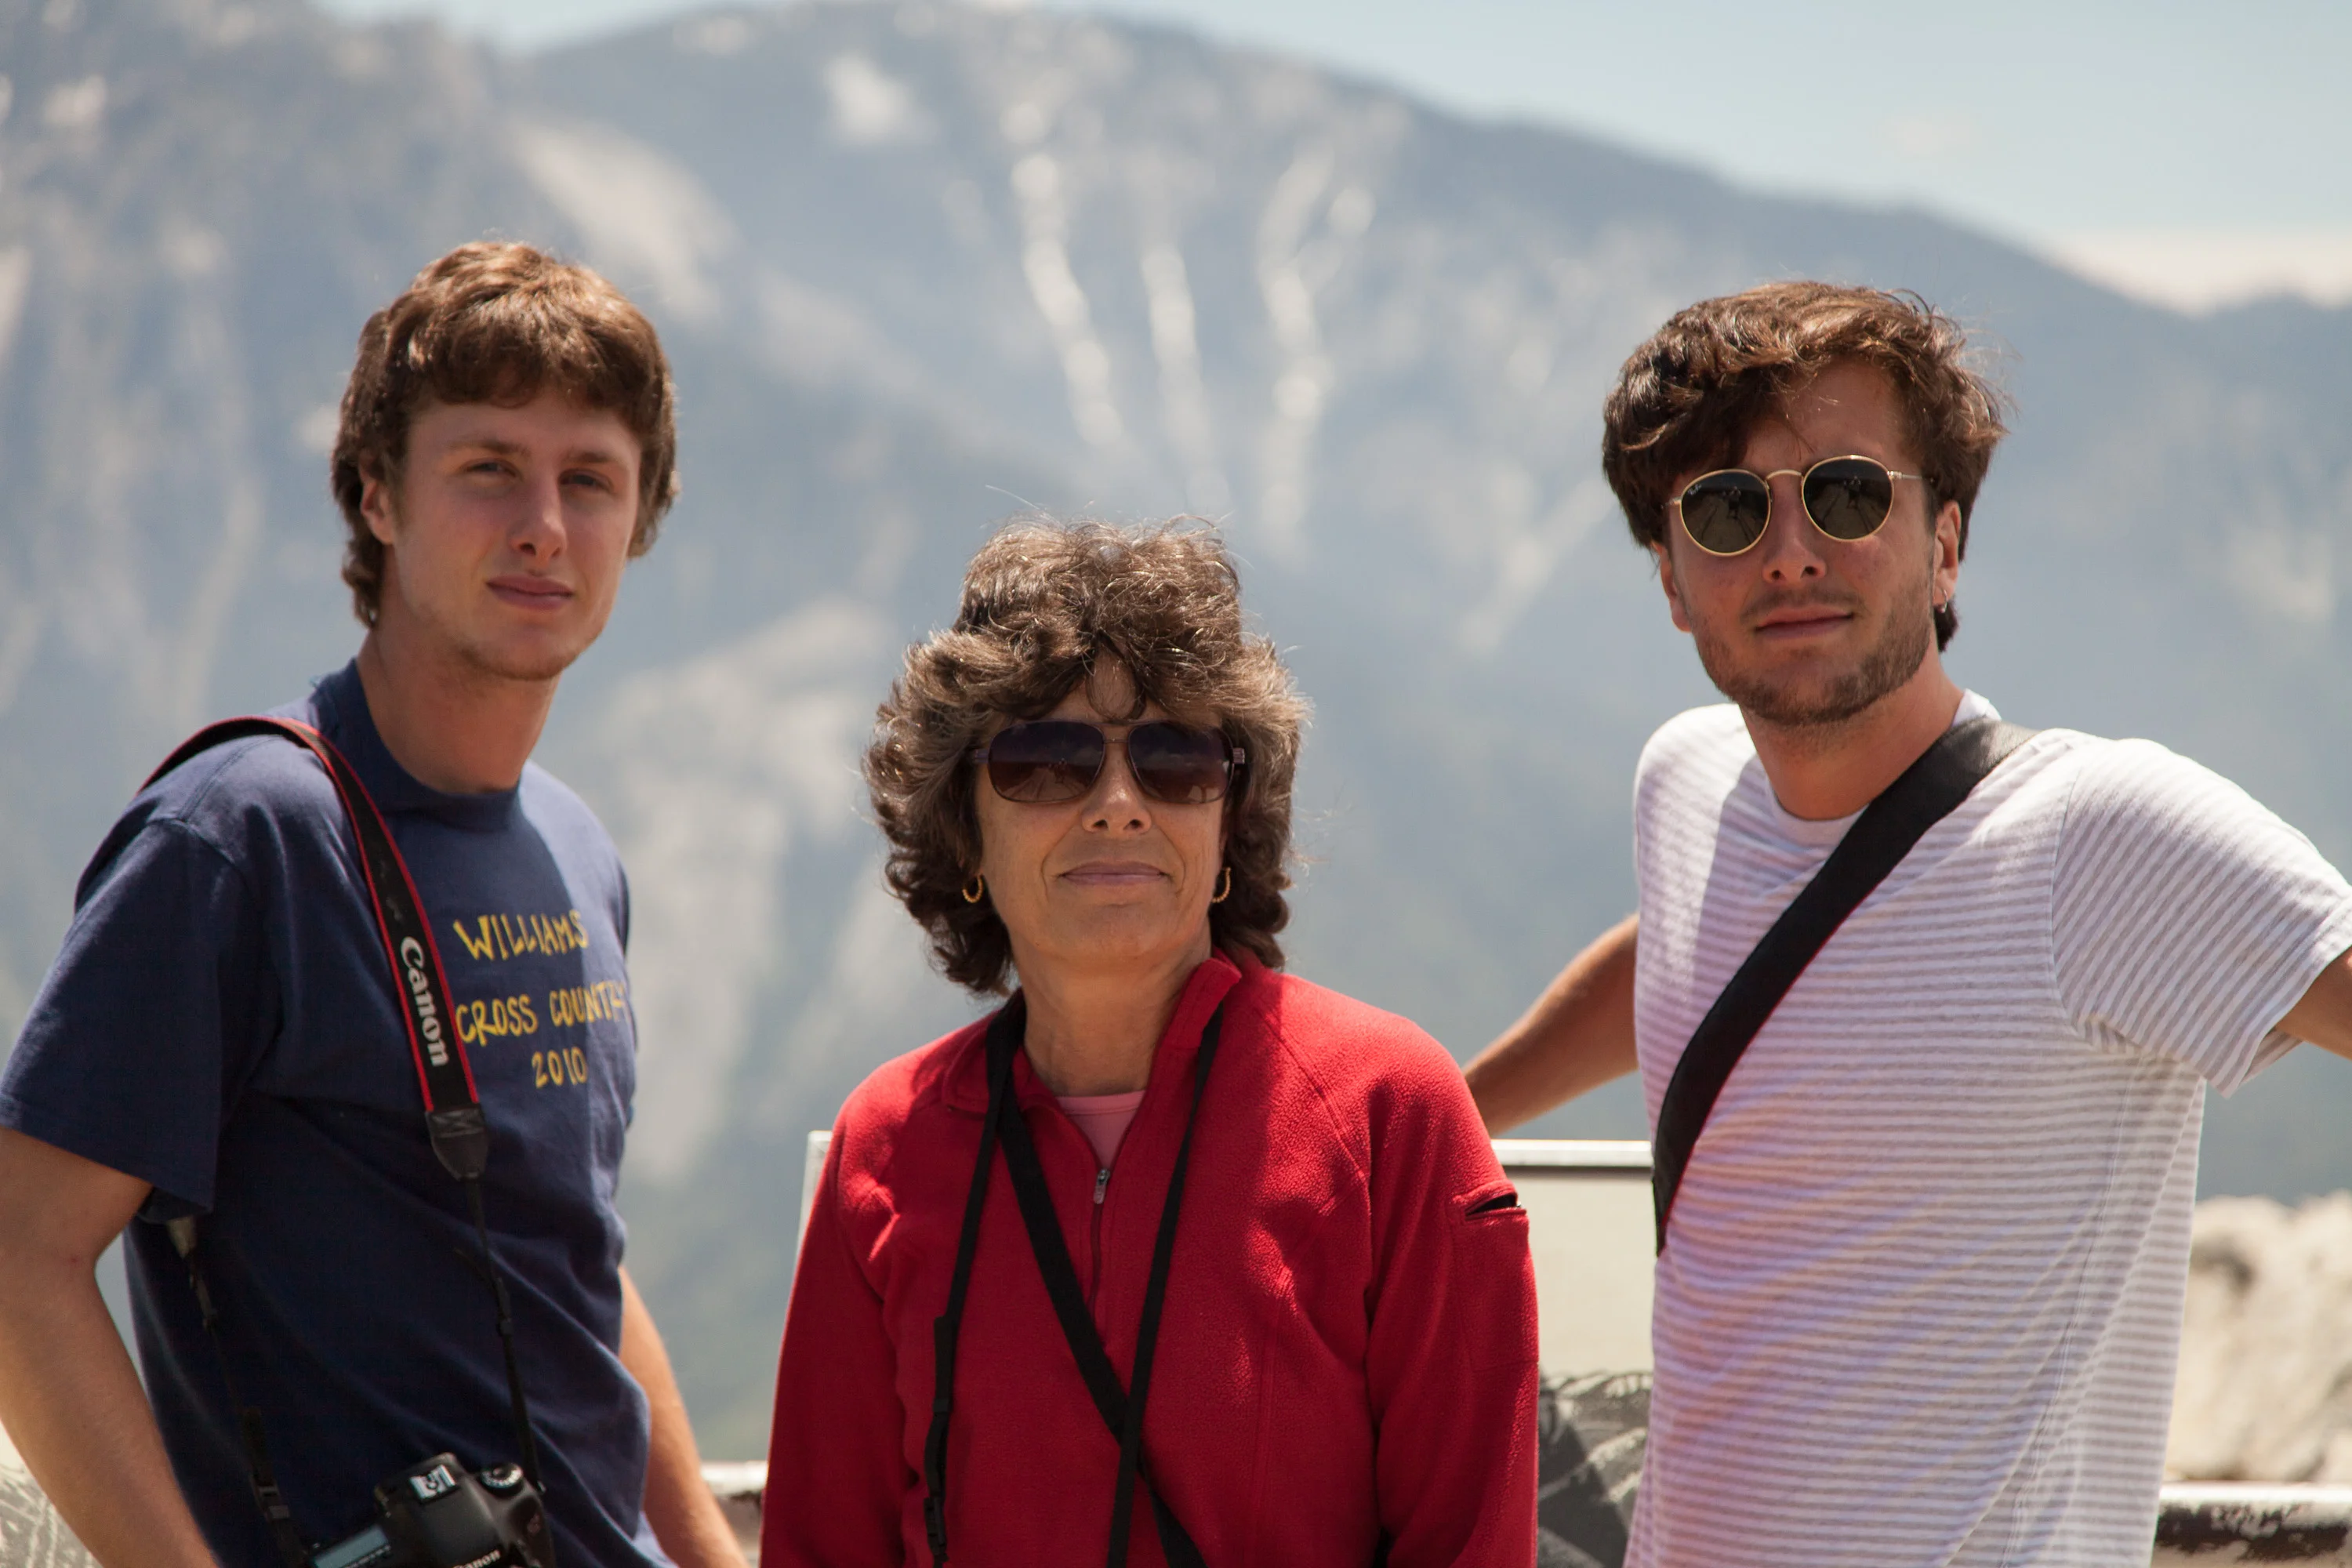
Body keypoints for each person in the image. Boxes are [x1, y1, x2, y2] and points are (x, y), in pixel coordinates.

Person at [1464, 281, 2352, 1568]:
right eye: (1725, 510)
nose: (1789, 553)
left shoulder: (2098, 836)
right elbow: (1686, 948)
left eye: (1847, 494)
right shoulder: (1689, 781)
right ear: (1669, 578)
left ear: (1944, 544)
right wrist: (1441, 1116)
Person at [0, 243, 745, 1568]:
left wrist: (708, 1556)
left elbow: (569, 1252)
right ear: (377, 497)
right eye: (487, 470)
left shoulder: (575, 846)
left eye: (590, 480)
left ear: (641, 520)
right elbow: (20, 1259)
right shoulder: (242, 837)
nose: (544, 526)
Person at [762, 521, 1538, 1567]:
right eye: (1046, 762)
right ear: (964, 830)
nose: (1118, 806)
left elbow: (1468, 1545)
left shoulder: (1389, 1114)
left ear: (1231, 823)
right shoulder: (886, 1147)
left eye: (1176, 761)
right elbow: (823, 1542)